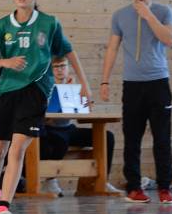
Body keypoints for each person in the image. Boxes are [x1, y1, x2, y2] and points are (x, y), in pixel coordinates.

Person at [0, 0, 92, 214]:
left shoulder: (49, 24)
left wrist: (84, 84)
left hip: (36, 92)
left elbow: (68, 51)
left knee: (17, 149)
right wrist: (5, 62)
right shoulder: (1, 27)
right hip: (6, 92)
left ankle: (4, 206)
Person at [98, 0, 172, 204]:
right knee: (132, 138)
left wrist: (149, 16)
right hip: (132, 84)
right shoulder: (120, 15)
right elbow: (112, 48)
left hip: (158, 82)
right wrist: (104, 80)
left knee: (162, 138)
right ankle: (133, 188)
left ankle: (165, 187)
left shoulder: (164, 11)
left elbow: (169, 39)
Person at [40, 58, 117, 194]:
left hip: (69, 129)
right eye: (56, 67)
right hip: (50, 129)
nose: (60, 70)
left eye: (63, 66)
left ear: (68, 68)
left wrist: (86, 104)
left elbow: (82, 113)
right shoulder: (45, 87)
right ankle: (50, 180)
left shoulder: (75, 88)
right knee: (60, 140)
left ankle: (102, 181)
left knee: (107, 137)